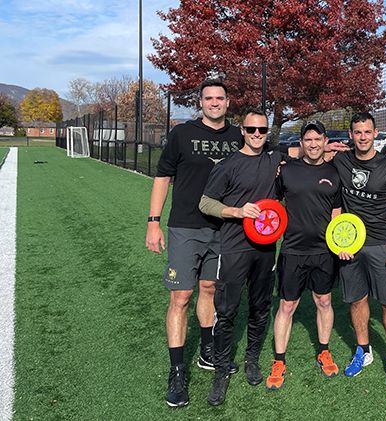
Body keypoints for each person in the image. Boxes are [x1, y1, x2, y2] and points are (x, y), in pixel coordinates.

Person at [145, 79, 241, 408]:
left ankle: (207, 350)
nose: (214, 103)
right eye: (208, 98)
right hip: (186, 226)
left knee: (210, 288)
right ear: (200, 102)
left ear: (228, 102)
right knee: (181, 296)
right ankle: (176, 370)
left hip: (224, 227)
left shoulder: (239, 136)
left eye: (220, 98)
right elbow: (162, 177)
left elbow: (271, 160)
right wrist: (153, 222)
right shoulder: (182, 134)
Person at [198, 108, 283, 406]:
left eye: (262, 131)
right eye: (252, 130)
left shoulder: (275, 158)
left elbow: (307, 152)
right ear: (243, 131)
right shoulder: (229, 164)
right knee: (227, 310)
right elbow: (206, 203)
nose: (257, 135)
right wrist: (237, 211)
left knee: (261, 307)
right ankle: (221, 372)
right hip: (234, 247)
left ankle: (252, 360)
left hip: (265, 250)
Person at [331, 112, 386, 389]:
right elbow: (310, 151)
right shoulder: (341, 160)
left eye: (367, 132)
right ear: (350, 135)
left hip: (383, 244)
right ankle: (363, 350)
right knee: (357, 300)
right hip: (351, 245)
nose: (362, 137)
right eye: (357, 132)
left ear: (375, 133)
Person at [265, 120, 343, 390]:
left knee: (323, 301)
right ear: (301, 143)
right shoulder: (286, 171)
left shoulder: (335, 172)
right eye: (308, 140)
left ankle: (323, 350)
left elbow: (337, 214)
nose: (313, 144)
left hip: (324, 251)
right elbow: (271, 205)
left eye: (317, 139)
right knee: (287, 305)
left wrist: (340, 243)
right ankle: (279, 360)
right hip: (292, 250)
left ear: (325, 142)